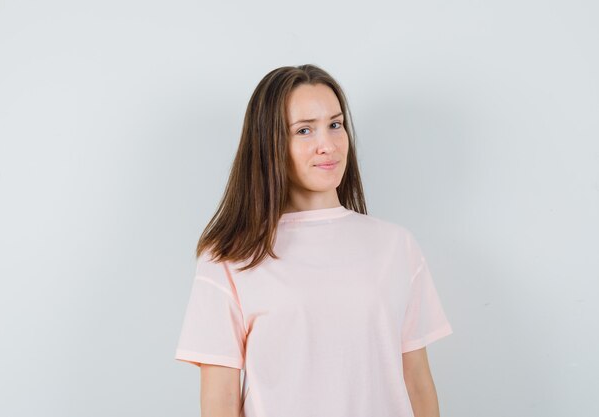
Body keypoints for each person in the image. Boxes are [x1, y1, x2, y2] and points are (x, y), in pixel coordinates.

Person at [174, 64, 453, 417]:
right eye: (304, 130)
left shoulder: (396, 246)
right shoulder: (230, 256)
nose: (328, 145)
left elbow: (417, 383)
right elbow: (220, 402)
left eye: (335, 125)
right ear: (269, 144)